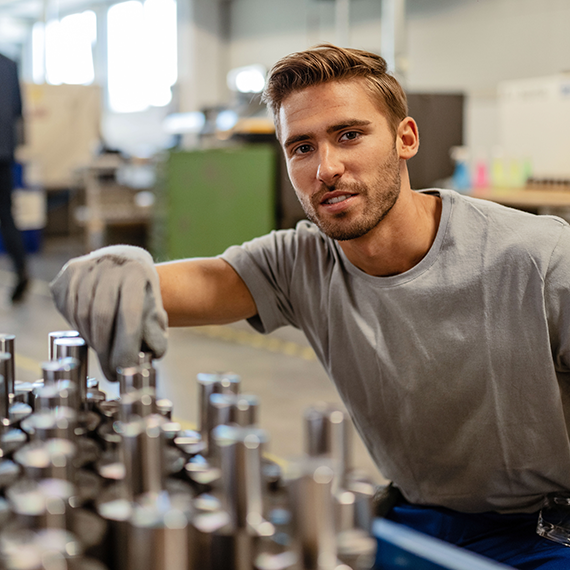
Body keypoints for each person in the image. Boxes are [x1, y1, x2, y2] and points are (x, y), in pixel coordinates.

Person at [50, 44, 570, 568]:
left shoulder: (538, 259)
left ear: (405, 138)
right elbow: (180, 286)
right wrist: (109, 269)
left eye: (349, 135)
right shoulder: (301, 262)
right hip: (422, 514)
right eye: (301, 147)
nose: (326, 168)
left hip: (549, 533)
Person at [0, 53, 28, 303]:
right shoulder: (9, 65)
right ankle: (21, 271)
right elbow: (18, 111)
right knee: (7, 216)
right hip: (5, 154)